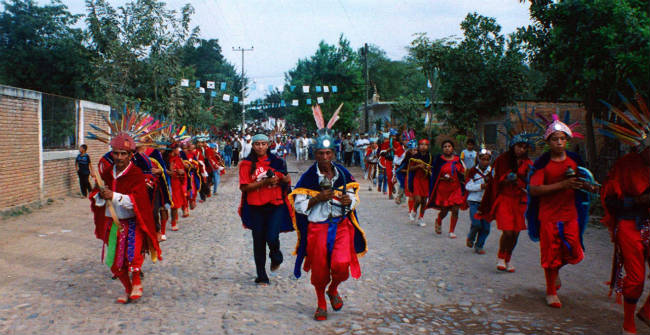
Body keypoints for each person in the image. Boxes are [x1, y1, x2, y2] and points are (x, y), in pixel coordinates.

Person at [288, 104, 367, 321]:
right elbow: (298, 206)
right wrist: (316, 199)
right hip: (317, 229)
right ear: (316, 154)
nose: (324, 157)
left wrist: (346, 200)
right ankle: (321, 303)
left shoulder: (343, 174)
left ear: (333, 153)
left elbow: (354, 197)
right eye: (320, 153)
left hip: (341, 226)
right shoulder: (307, 178)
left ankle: (333, 289)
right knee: (320, 268)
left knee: (341, 266)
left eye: (328, 152)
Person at [527, 116, 593, 309]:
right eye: (555, 138)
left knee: (575, 250)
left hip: (570, 213)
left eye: (562, 138)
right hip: (548, 215)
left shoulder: (575, 161)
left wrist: (589, 187)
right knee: (550, 254)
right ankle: (551, 291)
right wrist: (562, 185)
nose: (559, 141)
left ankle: (555, 272)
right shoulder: (542, 163)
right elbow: (534, 189)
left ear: (567, 140)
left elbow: (582, 183)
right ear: (548, 141)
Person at [598, 89, 650, 334]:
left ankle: (646, 312)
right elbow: (610, 200)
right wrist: (638, 201)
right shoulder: (626, 165)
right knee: (637, 278)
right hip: (630, 223)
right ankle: (628, 321)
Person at [89, 132, 162, 303]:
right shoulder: (106, 173)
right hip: (114, 223)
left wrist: (113, 195)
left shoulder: (136, 174)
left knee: (133, 254)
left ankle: (136, 281)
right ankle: (128, 289)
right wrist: (100, 194)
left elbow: (137, 201)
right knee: (115, 262)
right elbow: (96, 198)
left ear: (130, 155)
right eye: (116, 153)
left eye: (124, 154)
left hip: (132, 222)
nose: (119, 157)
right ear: (111, 153)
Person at [238, 134, 293, 285]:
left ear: (268, 145)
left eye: (263, 144)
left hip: (275, 204)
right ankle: (261, 275)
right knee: (259, 241)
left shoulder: (277, 161)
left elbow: (287, 180)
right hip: (255, 206)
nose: (260, 147)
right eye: (257, 144)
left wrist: (283, 179)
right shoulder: (246, 164)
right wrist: (264, 182)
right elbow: (244, 187)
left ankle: (276, 256)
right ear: (253, 146)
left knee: (272, 236)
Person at [478, 140, 533, 271]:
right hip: (505, 199)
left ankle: (508, 258)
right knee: (508, 232)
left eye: (524, 147)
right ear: (513, 146)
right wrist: (506, 179)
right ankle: (501, 257)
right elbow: (495, 179)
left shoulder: (528, 163)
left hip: (520, 200)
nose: (521, 150)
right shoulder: (503, 160)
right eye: (519, 146)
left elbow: (532, 181)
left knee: (515, 234)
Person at [427, 140, 466, 238]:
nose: (447, 148)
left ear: (453, 148)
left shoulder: (457, 159)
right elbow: (434, 176)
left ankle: (451, 231)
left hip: (455, 188)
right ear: (442, 149)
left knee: (455, 209)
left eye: (449, 146)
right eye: (445, 146)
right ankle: (439, 220)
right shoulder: (439, 160)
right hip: (443, 189)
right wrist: (443, 178)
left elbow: (462, 172)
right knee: (444, 210)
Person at [465, 147, 492, 254]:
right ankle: (470, 237)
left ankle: (479, 245)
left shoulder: (492, 172)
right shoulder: (473, 171)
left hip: (487, 203)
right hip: (474, 201)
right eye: (483, 159)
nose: (485, 162)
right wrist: (481, 186)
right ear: (478, 159)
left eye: (487, 159)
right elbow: (468, 186)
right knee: (476, 223)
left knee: (486, 227)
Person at [406, 139, 433, 226]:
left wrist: (429, 168)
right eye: (421, 144)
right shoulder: (415, 157)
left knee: (424, 200)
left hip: (426, 180)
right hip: (417, 180)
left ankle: (421, 217)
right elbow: (409, 168)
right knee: (418, 199)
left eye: (425, 145)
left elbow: (434, 169)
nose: (423, 146)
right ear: (418, 146)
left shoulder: (430, 157)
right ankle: (414, 210)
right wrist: (418, 166)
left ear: (428, 146)